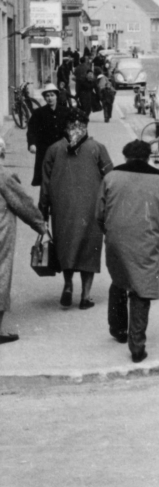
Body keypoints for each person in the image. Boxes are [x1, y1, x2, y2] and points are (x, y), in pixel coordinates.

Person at [97, 140, 159, 362]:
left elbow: (99, 214)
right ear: (148, 157)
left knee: (120, 279)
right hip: (146, 241)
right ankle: (137, 346)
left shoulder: (111, 178)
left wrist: (110, 234)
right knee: (142, 289)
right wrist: (157, 240)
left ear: (125, 157)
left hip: (116, 239)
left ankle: (118, 329)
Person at [39, 109, 114, 310]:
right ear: (86, 125)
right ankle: (86, 296)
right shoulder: (97, 148)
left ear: (66, 126)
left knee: (67, 247)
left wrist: (43, 212)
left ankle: (68, 285)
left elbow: (45, 186)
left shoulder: (53, 150)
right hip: (92, 210)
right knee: (89, 250)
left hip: (62, 210)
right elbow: (111, 180)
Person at [0, 137, 49, 344]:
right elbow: (22, 203)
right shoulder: (2, 174)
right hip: (1, 231)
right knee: (1, 273)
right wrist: (41, 225)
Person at [26, 83, 67, 187]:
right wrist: (32, 144)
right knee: (45, 180)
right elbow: (32, 130)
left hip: (61, 151)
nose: (50, 98)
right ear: (44, 97)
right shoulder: (38, 113)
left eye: (52, 95)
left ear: (57, 96)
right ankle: (44, 202)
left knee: (61, 180)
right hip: (44, 150)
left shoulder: (65, 112)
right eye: (47, 96)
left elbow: (72, 129)